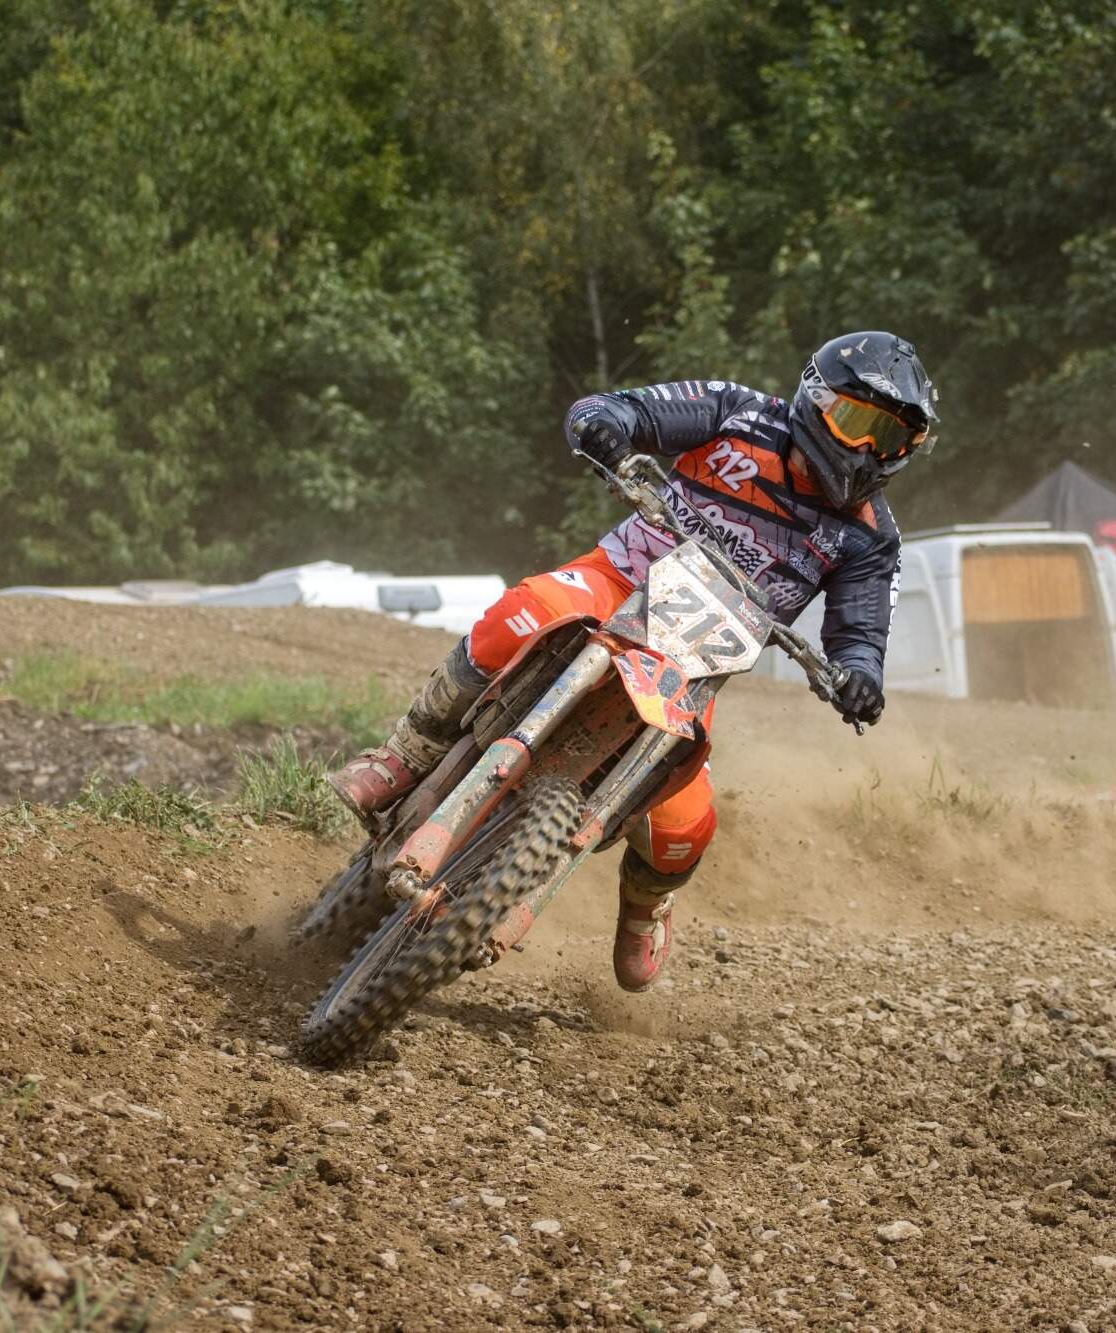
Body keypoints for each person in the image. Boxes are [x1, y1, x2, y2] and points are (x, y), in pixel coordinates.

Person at [328, 332, 937, 991]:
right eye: (857, 422)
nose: (869, 450)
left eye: (892, 438)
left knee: (684, 829)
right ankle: (404, 756)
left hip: (695, 665)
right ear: (815, 401)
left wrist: (860, 675)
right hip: (616, 582)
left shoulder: (870, 537)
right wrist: (607, 431)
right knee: (520, 612)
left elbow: (860, 631)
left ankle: (647, 905)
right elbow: (619, 409)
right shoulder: (737, 413)